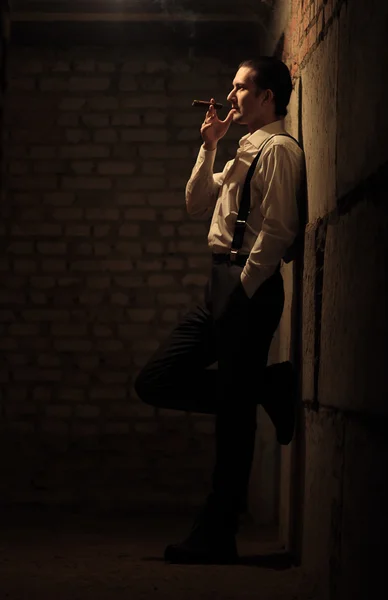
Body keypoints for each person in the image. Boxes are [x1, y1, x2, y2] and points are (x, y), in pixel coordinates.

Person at [135, 56, 305, 564]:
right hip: (221, 285)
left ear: (267, 94)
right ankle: (266, 388)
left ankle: (217, 532)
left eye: (240, 88)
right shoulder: (241, 151)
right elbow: (195, 203)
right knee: (157, 380)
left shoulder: (278, 150)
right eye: (232, 87)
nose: (230, 96)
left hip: (246, 289)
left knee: (232, 423)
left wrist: (245, 290)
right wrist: (210, 145)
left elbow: (278, 230)